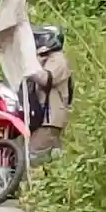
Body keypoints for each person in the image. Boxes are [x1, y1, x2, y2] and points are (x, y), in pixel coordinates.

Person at [25, 24, 72, 163]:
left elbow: (45, 78)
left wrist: (30, 66)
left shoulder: (58, 60)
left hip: (49, 119)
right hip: (38, 117)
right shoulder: (44, 58)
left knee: (34, 157)